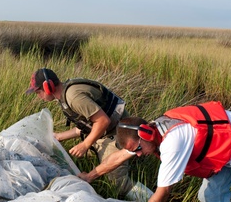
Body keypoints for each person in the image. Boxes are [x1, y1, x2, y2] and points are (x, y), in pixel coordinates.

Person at [26, 68, 152, 200]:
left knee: (118, 184)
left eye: (38, 91)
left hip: (117, 133)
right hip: (104, 132)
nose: (38, 96)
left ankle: (152, 198)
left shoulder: (74, 97)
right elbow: (87, 125)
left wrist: (85, 144)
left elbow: (103, 121)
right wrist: (59, 136)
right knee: (83, 160)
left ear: (48, 87)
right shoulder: (65, 95)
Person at [113, 101, 231, 202]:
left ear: (146, 134)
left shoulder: (172, 142)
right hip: (228, 152)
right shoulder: (153, 131)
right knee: (210, 196)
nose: (139, 154)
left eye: (138, 149)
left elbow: (162, 192)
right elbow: (117, 158)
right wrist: (91, 177)